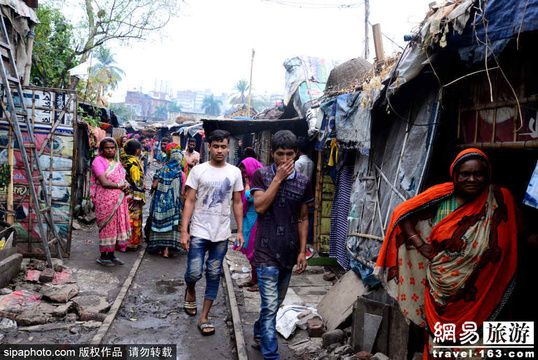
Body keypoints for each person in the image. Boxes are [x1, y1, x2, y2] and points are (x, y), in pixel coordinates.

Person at [374, 148, 518, 356]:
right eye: (465, 174)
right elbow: (401, 214)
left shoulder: (500, 199)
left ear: (487, 175)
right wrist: (421, 245)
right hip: (441, 291)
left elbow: (516, 233)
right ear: (455, 175)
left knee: (479, 345)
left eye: (478, 174)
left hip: (484, 289)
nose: (472, 179)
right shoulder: (441, 197)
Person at [250, 130, 314, 359]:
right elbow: (259, 207)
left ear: (296, 154)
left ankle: (259, 331)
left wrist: (302, 251)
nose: (285, 160)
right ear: (272, 153)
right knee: (269, 306)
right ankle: (271, 355)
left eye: (289, 154)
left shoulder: (304, 182)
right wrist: (277, 179)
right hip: (266, 250)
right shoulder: (261, 175)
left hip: (289, 251)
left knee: (274, 304)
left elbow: (303, 217)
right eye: (280, 154)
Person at [180, 129, 245, 336]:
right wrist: (184, 230)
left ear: (228, 147)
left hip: (221, 233)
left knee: (214, 274)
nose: (219, 150)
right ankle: (190, 289)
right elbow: (189, 201)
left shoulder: (234, 172)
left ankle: (204, 316)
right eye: (216, 146)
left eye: (223, 146)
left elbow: (237, 202)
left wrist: (240, 231)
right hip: (199, 230)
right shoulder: (198, 171)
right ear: (209, 147)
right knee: (194, 272)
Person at [90, 137, 131, 266]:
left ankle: (112, 255)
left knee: (116, 227)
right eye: (107, 148)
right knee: (107, 227)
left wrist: (126, 185)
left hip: (119, 199)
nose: (110, 150)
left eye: (112, 148)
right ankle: (103, 256)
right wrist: (120, 186)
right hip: (105, 200)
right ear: (102, 149)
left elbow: (122, 178)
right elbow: (104, 182)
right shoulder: (98, 161)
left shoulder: (117, 162)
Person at [148, 143, 187, 258]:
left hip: (160, 204)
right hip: (174, 204)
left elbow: (154, 186)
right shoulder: (181, 174)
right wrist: (183, 205)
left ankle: (159, 248)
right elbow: (182, 192)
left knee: (159, 224)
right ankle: (167, 250)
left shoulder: (162, 170)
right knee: (172, 225)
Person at [234, 157, 264, 292]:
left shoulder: (261, 180)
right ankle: (254, 279)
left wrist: (247, 188)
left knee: (255, 252)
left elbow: (249, 198)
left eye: (245, 171)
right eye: (242, 172)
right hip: (248, 219)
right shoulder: (251, 180)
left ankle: (260, 283)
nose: (244, 174)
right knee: (249, 251)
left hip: (257, 220)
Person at [120, 139, 146, 250]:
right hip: (133, 195)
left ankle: (123, 240)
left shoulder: (123, 160)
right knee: (133, 218)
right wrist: (139, 196)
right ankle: (131, 241)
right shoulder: (134, 163)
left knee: (124, 217)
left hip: (123, 193)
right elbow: (137, 181)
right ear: (137, 150)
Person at [295, 138, 315, 258]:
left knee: (299, 219)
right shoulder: (311, 162)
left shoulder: (298, 163)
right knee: (305, 218)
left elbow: (296, 178)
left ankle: (300, 245)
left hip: (299, 191)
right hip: (308, 190)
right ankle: (306, 243)